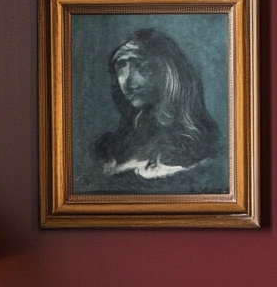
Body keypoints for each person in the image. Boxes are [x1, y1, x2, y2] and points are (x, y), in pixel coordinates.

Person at [92, 28, 222, 184]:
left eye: (144, 68)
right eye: (121, 66)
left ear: (170, 75)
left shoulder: (197, 145)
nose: (128, 82)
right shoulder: (111, 147)